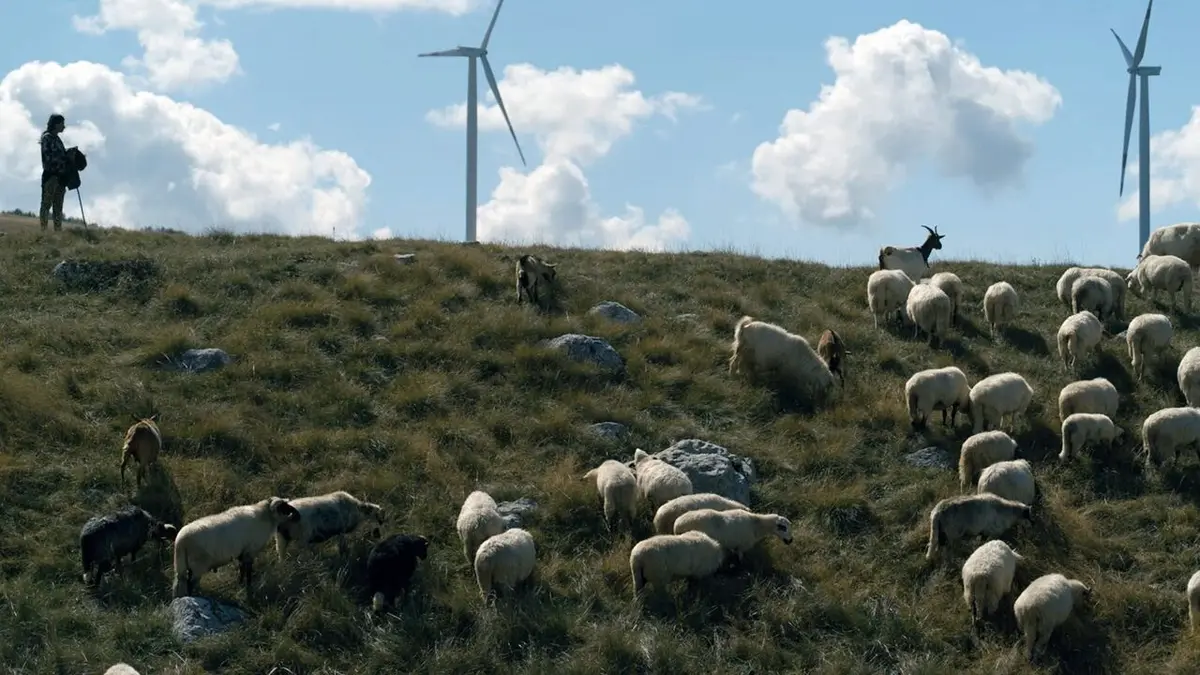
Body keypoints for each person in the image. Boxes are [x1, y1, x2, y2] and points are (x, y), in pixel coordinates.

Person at [39, 113, 69, 231]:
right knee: (46, 204)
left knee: (58, 206)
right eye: (62, 124)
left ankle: (57, 232)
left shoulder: (57, 139)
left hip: (60, 177)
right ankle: (44, 231)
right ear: (56, 124)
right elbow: (49, 158)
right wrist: (65, 158)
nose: (64, 127)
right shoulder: (47, 138)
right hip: (51, 176)